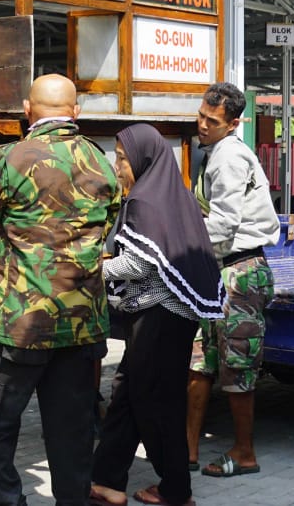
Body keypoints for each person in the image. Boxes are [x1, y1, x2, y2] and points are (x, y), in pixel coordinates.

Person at [0, 74, 122, 506]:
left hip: (20, 322)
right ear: (76, 113)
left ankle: (8, 500)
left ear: (28, 111)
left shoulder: (12, 158)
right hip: (83, 324)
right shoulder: (102, 162)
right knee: (73, 430)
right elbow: (108, 222)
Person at [89, 124, 222, 506]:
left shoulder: (145, 200)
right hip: (170, 318)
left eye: (121, 158)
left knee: (156, 403)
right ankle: (107, 481)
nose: (117, 166)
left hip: (158, 320)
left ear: (143, 158)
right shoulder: (172, 194)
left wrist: (94, 269)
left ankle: (177, 490)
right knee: (127, 396)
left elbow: (138, 263)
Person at [185, 82, 280, 478]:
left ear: (233, 123)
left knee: (237, 368)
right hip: (218, 271)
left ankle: (245, 454)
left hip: (239, 272)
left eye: (212, 120)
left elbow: (222, 227)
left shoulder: (228, 157)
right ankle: (185, 450)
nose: (203, 125)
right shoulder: (213, 151)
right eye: (201, 116)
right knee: (198, 361)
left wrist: (179, 242)